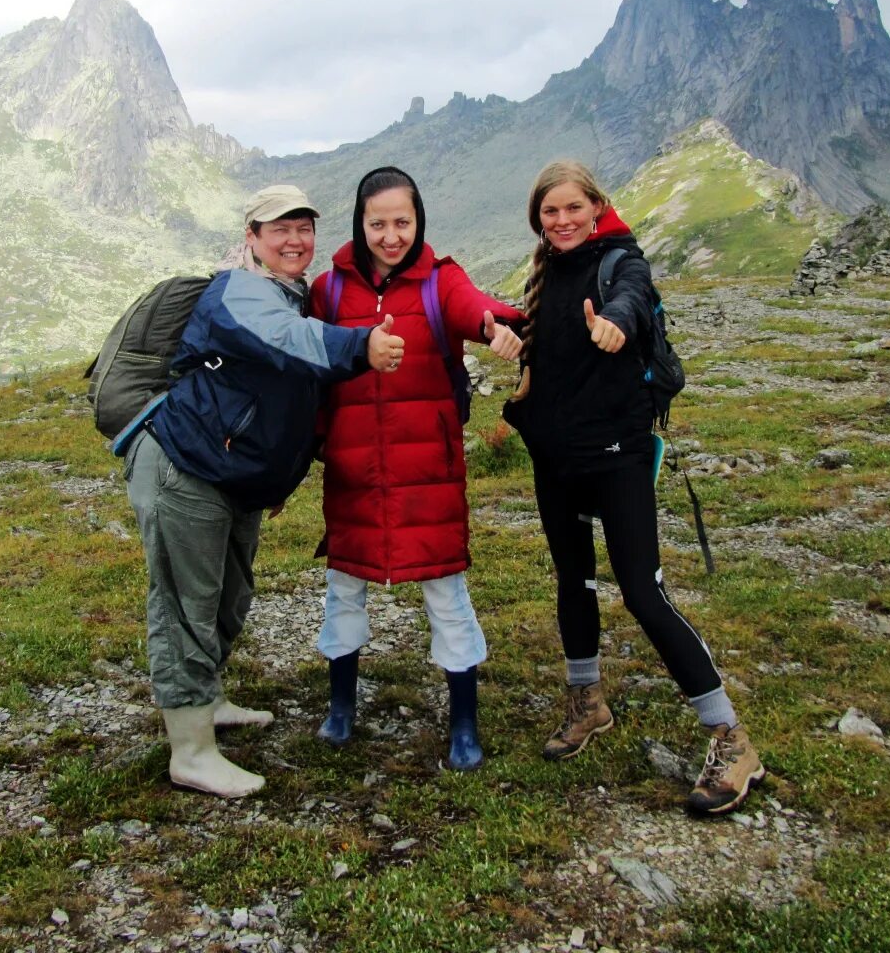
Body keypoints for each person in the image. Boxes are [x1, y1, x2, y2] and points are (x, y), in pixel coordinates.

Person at [121, 185, 404, 798]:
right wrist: (360, 346)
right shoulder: (238, 290)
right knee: (186, 606)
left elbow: (291, 397)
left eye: (303, 227)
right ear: (251, 237)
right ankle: (190, 750)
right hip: (184, 467)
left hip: (233, 477)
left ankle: (208, 700)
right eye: (279, 229)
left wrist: (284, 471)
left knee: (229, 597)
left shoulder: (292, 295)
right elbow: (287, 343)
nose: (294, 239)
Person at [501, 160, 763, 814]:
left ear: (597, 207)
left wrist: (615, 321)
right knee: (574, 580)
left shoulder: (622, 261)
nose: (561, 221)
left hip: (617, 452)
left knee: (642, 592)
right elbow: (545, 341)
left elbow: (633, 301)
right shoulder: (546, 273)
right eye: (549, 212)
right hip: (557, 455)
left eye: (572, 208)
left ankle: (731, 737)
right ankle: (587, 703)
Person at [309, 166, 524, 771]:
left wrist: (495, 327)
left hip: (429, 470)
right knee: (343, 588)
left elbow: (474, 309)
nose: (391, 236)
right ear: (360, 222)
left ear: (418, 220)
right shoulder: (328, 291)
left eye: (402, 222)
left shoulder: (440, 280)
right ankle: (341, 707)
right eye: (378, 224)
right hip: (354, 469)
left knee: (446, 592)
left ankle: (463, 723)